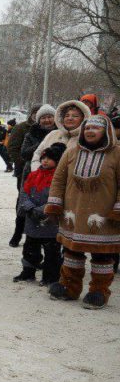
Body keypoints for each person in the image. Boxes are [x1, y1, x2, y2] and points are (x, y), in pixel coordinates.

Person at [44, 116, 120, 309]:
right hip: (73, 212)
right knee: (71, 251)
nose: (90, 131)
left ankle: (99, 291)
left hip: (103, 216)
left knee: (101, 254)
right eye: (87, 128)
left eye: (96, 128)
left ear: (107, 132)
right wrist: (54, 205)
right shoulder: (71, 152)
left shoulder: (117, 154)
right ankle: (69, 286)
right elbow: (58, 181)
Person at [14, 143, 65, 286]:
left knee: (51, 251)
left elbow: (59, 197)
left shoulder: (59, 178)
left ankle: (50, 276)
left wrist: (42, 210)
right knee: (30, 249)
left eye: (49, 158)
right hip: (32, 219)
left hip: (50, 220)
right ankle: (28, 272)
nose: (45, 161)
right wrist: (29, 208)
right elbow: (24, 193)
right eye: (43, 158)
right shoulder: (33, 174)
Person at [7, 105, 40, 246]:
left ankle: (37, 232)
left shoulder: (54, 131)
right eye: (36, 113)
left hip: (47, 173)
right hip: (25, 172)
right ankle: (18, 232)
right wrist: (24, 164)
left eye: (45, 115)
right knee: (23, 200)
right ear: (31, 114)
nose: (40, 117)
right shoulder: (21, 128)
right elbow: (12, 148)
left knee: (42, 201)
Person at [31, 99, 91, 167]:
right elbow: (37, 155)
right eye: (67, 116)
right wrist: (38, 170)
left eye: (75, 116)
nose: (70, 118)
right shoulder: (53, 134)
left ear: (83, 118)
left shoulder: (87, 137)